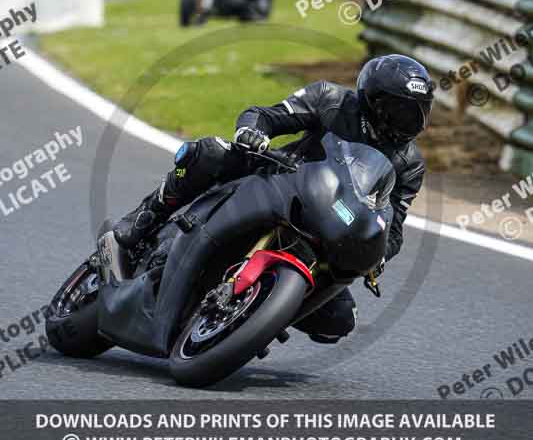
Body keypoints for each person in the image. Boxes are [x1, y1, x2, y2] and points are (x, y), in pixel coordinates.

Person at [114, 54, 434, 343]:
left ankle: (261, 315)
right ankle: (149, 213)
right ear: (372, 100)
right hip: (279, 177)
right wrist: (253, 132)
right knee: (209, 152)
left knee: (340, 321)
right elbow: (266, 116)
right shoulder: (331, 99)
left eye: (415, 116)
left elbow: (393, 227)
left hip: (330, 227)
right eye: (398, 111)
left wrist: (379, 255)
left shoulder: (410, 164)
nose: (405, 124)